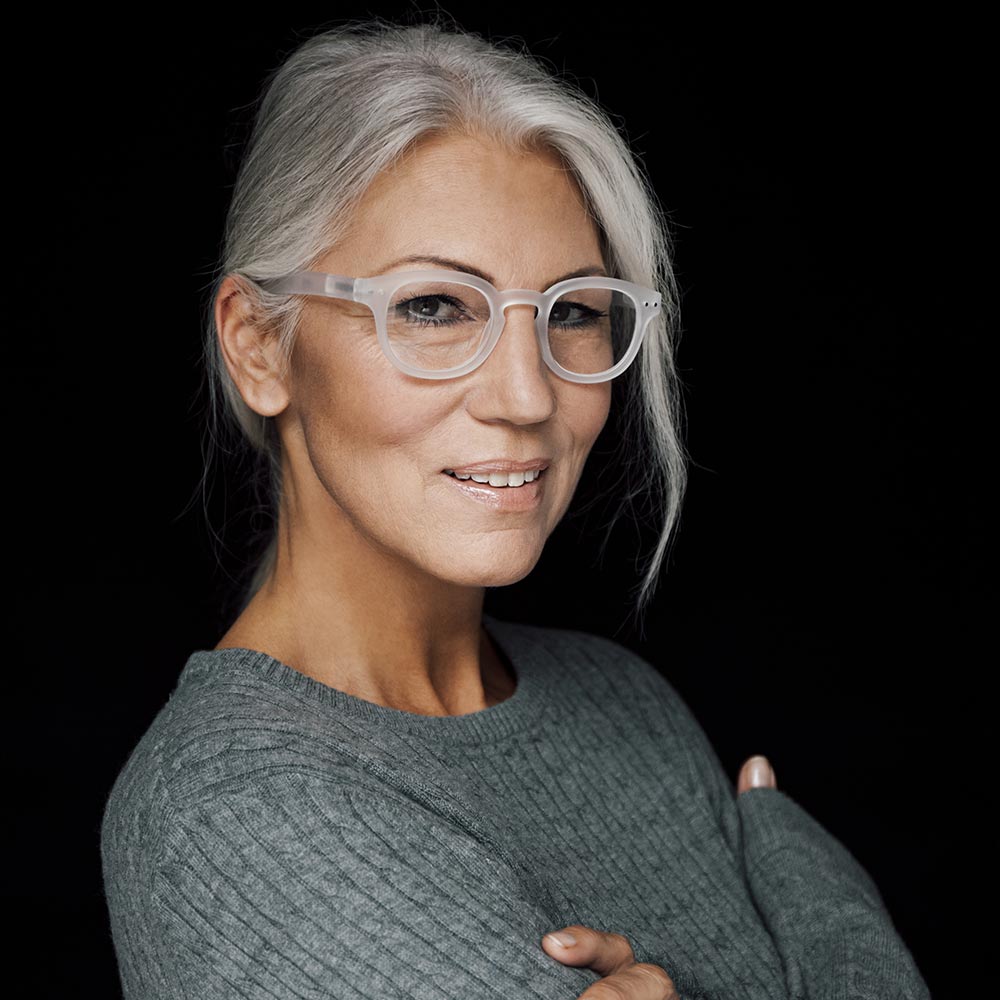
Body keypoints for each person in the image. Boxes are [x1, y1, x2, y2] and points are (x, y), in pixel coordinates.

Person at [100, 17, 930, 1000]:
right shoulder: (235, 808)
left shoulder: (625, 704)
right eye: (435, 307)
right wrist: (838, 933)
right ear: (258, 347)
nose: (528, 396)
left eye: (572, 312)